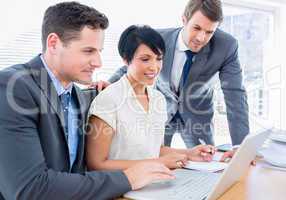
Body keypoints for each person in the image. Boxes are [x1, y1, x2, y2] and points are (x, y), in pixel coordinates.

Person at [0, 2, 176, 200]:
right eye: (88, 51)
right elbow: (30, 188)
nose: (98, 62)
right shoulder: (13, 88)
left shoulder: (76, 94)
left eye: (99, 51)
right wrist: (127, 178)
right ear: (53, 43)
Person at [107, 0, 249, 148]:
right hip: (161, 111)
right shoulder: (159, 38)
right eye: (196, 28)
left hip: (198, 115)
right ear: (184, 20)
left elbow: (235, 94)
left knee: (206, 162)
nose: (201, 38)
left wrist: (240, 146)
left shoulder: (226, 46)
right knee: (155, 157)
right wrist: (110, 84)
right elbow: (133, 65)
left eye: (209, 32)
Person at [86, 25, 215, 171]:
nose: (154, 67)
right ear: (126, 60)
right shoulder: (109, 100)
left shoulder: (157, 99)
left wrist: (189, 153)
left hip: (153, 180)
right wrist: (157, 164)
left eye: (159, 59)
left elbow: (153, 150)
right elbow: (96, 164)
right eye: (145, 59)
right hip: (122, 187)